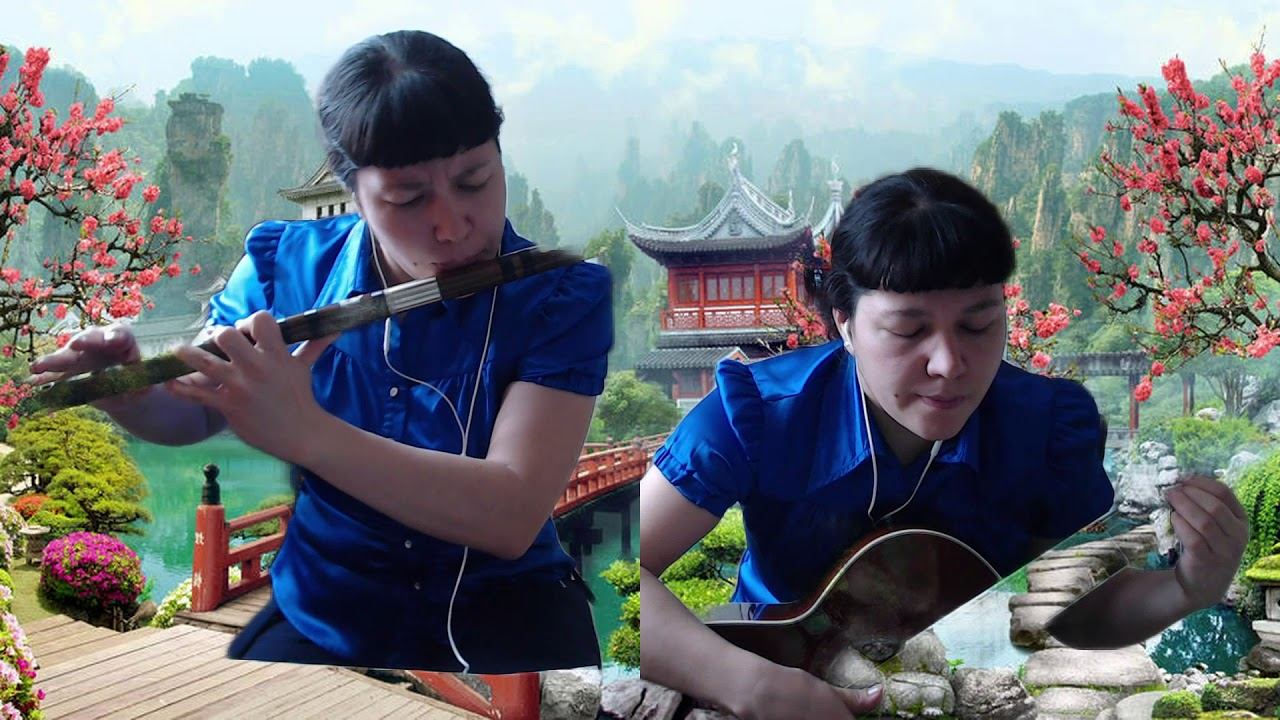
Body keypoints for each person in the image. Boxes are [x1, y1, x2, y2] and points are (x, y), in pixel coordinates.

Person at [28, 30, 611, 674]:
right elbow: (196, 409)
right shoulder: (284, 265)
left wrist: (305, 432)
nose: (452, 226)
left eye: (475, 180)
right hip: (326, 605)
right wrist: (134, 396)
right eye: (407, 199)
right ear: (351, 190)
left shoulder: (562, 293)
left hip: (506, 609)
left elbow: (511, 515)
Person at [638, 167, 1248, 719]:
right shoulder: (755, 414)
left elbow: (1071, 613)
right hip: (770, 667)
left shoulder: (1048, 429)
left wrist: (1185, 587)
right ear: (844, 322)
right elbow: (616, 576)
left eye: (978, 324)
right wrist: (750, 685)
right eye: (908, 330)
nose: (949, 365)